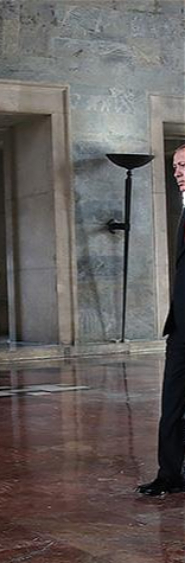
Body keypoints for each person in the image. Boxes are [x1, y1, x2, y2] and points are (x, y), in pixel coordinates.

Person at [138, 144, 185, 496]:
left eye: (183, 165)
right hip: (180, 327)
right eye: (175, 167)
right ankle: (169, 474)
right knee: (171, 403)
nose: (178, 172)